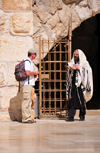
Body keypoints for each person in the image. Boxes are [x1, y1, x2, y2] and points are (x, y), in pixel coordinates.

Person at [66, 49, 93, 121]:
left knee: (81, 101)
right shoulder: (72, 62)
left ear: (80, 55)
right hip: (73, 85)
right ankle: (71, 116)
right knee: (71, 100)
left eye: (77, 54)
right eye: (74, 54)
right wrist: (70, 70)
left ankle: (82, 116)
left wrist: (79, 68)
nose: (75, 56)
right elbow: (68, 73)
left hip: (81, 86)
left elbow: (88, 71)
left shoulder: (85, 63)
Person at [20, 49, 39, 123]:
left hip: (29, 84)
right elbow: (27, 73)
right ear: (32, 54)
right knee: (26, 101)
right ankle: (25, 118)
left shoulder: (29, 62)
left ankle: (28, 117)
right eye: (35, 54)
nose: (36, 56)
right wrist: (35, 73)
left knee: (28, 101)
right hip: (26, 84)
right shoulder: (27, 61)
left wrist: (33, 75)